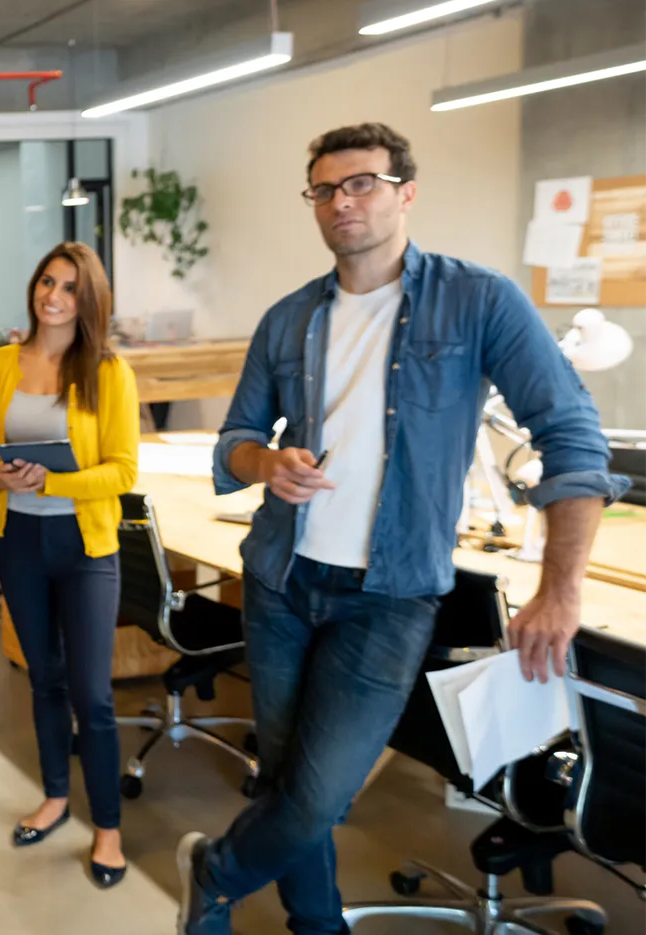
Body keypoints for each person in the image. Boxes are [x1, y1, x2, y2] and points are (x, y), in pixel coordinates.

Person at [176, 123, 630, 935]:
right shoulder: (288, 319)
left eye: (362, 184)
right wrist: (264, 464)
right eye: (325, 189)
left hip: (388, 597)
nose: (342, 201)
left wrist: (560, 589)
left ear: (405, 192)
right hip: (281, 579)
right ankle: (317, 924)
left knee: (320, 792)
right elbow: (232, 440)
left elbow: (573, 435)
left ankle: (218, 870)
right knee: (284, 780)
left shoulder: (478, 300)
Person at [0, 242, 137, 889]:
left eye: (70, 287)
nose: (54, 296)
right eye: (47, 281)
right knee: (42, 677)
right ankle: (53, 795)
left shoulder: (108, 371)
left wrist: (53, 484)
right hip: (16, 540)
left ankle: (108, 829)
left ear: (88, 300)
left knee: (92, 695)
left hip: (86, 548)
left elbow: (124, 471)